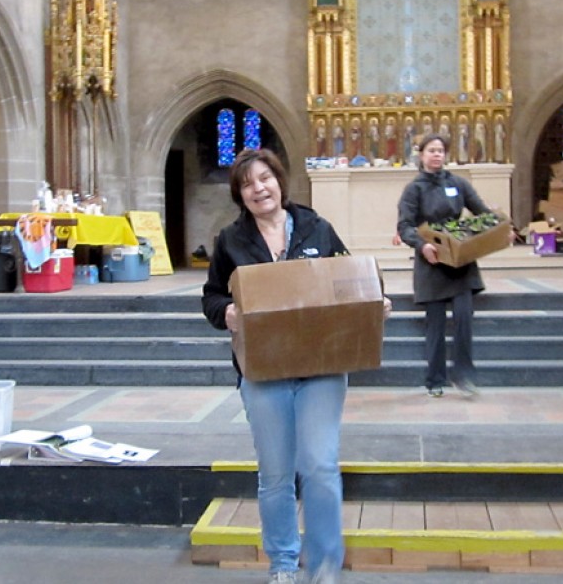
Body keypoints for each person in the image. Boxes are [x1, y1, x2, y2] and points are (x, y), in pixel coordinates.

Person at [201, 148, 390, 584]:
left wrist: (374, 302)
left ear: (279, 182)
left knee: (320, 464)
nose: (258, 189)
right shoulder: (231, 241)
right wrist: (226, 312)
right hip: (263, 371)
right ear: (240, 195)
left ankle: (325, 564)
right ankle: (284, 564)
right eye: (247, 184)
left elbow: (350, 279)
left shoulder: (316, 228)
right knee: (276, 474)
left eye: (264, 178)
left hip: (321, 366)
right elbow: (211, 297)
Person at [396, 134, 491, 398]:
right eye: (432, 150)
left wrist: (501, 228)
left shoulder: (458, 184)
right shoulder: (414, 189)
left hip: (460, 262)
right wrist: (422, 246)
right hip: (432, 262)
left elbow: (482, 212)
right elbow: (404, 226)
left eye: (440, 151)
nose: (437, 155)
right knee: (435, 326)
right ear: (422, 155)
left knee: (464, 320)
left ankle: (464, 375)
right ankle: (435, 379)